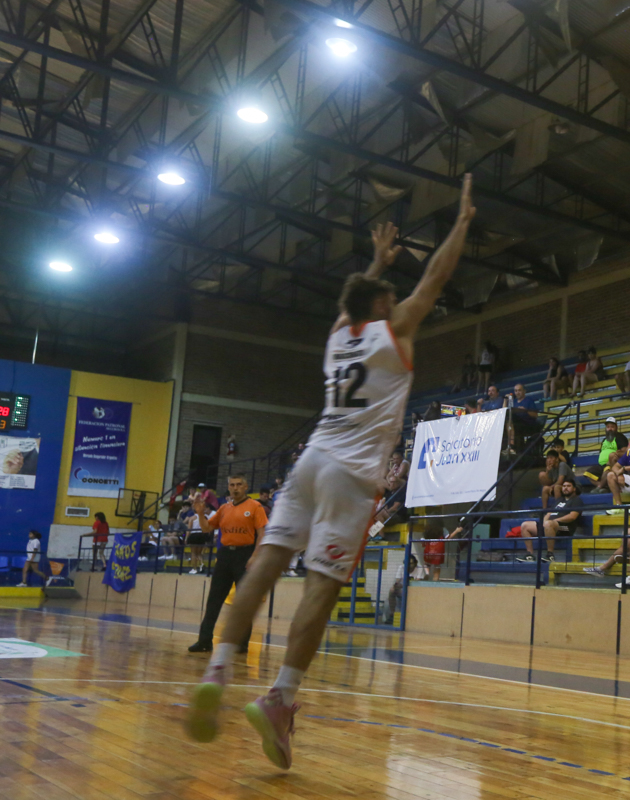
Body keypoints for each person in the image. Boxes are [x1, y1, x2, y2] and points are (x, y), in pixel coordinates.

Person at [185, 179, 475, 768]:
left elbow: (357, 301)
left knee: (263, 570)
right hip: (351, 473)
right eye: (385, 298)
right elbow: (435, 281)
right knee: (322, 587)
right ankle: (281, 697)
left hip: (311, 458)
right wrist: (462, 222)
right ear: (378, 308)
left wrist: (374, 263)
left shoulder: (338, 336)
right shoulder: (392, 334)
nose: (394, 303)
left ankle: (217, 670)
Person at [186, 474, 269, 654]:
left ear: (245, 487)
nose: (235, 488)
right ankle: (204, 641)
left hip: (245, 554)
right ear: (229, 487)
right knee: (213, 600)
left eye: (239, 484)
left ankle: (241, 644)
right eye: (232, 485)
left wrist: (255, 556)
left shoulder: (255, 506)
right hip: (225, 555)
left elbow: (262, 534)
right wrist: (200, 513)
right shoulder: (224, 508)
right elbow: (207, 528)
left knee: (244, 602)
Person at [516, 476, 583, 562]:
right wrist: (544, 522)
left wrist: (554, 521)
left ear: (574, 489)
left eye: (568, 486)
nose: (565, 488)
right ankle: (530, 555)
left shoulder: (577, 500)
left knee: (549, 524)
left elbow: (572, 516)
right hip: (550, 525)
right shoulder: (559, 500)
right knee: (525, 525)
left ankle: (550, 555)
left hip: (565, 528)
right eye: (564, 486)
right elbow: (549, 513)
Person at [504, 383, 540, 452]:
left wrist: (525, 411)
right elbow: (505, 411)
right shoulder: (513, 402)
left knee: (510, 419)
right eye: (516, 391)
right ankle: (507, 446)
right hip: (515, 423)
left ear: (524, 391)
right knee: (506, 418)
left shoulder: (529, 401)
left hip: (526, 424)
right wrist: (505, 400)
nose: (517, 392)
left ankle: (512, 444)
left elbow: (535, 415)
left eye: (519, 390)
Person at [593, 417, 628, 484]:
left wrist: (613, 458)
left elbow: (624, 452)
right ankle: (603, 486)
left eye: (612, 427)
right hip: (601, 465)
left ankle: (600, 487)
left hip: (613, 464)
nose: (610, 429)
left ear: (616, 427)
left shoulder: (620, 437)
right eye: (608, 427)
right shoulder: (604, 440)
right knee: (587, 473)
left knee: (607, 470)